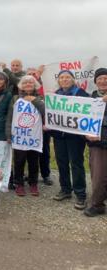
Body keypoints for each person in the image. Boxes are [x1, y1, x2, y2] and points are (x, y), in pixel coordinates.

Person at [50, 70, 89, 210]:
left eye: (67, 77)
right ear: (58, 80)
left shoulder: (81, 93)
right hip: (59, 135)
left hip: (75, 137)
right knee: (62, 162)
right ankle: (65, 189)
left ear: (73, 79)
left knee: (76, 164)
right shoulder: (55, 95)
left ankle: (80, 194)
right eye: (61, 77)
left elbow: (89, 112)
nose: (64, 79)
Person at [5, 75, 45, 196]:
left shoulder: (40, 98)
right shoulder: (15, 98)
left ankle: (33, 184)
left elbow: (45, 111)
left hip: (34, 136)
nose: (28, 85)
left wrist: (33, 100)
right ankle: (19, 184)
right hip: (19, 136)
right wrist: (8, 134)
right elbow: (9, 117)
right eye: (25, 83)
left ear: (35, 86)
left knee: (33, 161)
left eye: (30, 83)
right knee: (19, 160)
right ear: (21, 85)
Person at [84, 68, 107, 217]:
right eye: (99, 79)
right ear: (95, 81)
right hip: (97, 145)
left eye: (106, 78)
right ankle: (97, 204)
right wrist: (86, 134)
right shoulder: (91, 98)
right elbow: (82, 119)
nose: (103, 81)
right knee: (98, 175)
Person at [26, 67, 53, 185]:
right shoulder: (21, 91)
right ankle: (31, 174)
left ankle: (45, 174)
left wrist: (46, 123)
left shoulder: (46, 87)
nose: (32, 76)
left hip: (43, 127)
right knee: (29, 152)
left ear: (38, 75)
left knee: (44, 152)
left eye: (34, 73)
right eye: (29, 74)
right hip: (28, 128)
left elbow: (50, 107)